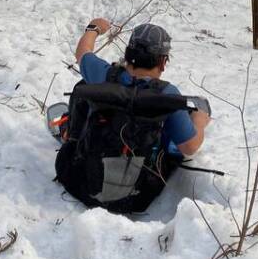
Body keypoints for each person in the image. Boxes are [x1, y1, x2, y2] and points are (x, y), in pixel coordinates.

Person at [48, 19, 211, 213]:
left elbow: (83, 53)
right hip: (136, 198)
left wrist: (94, 28)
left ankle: (72, 134)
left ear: (128, 54)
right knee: (172, 144)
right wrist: (199, 123)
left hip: (80, 183)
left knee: (84, 87)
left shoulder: (103, 75)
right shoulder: (168, 95)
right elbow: (190, 147)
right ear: (162, 62)